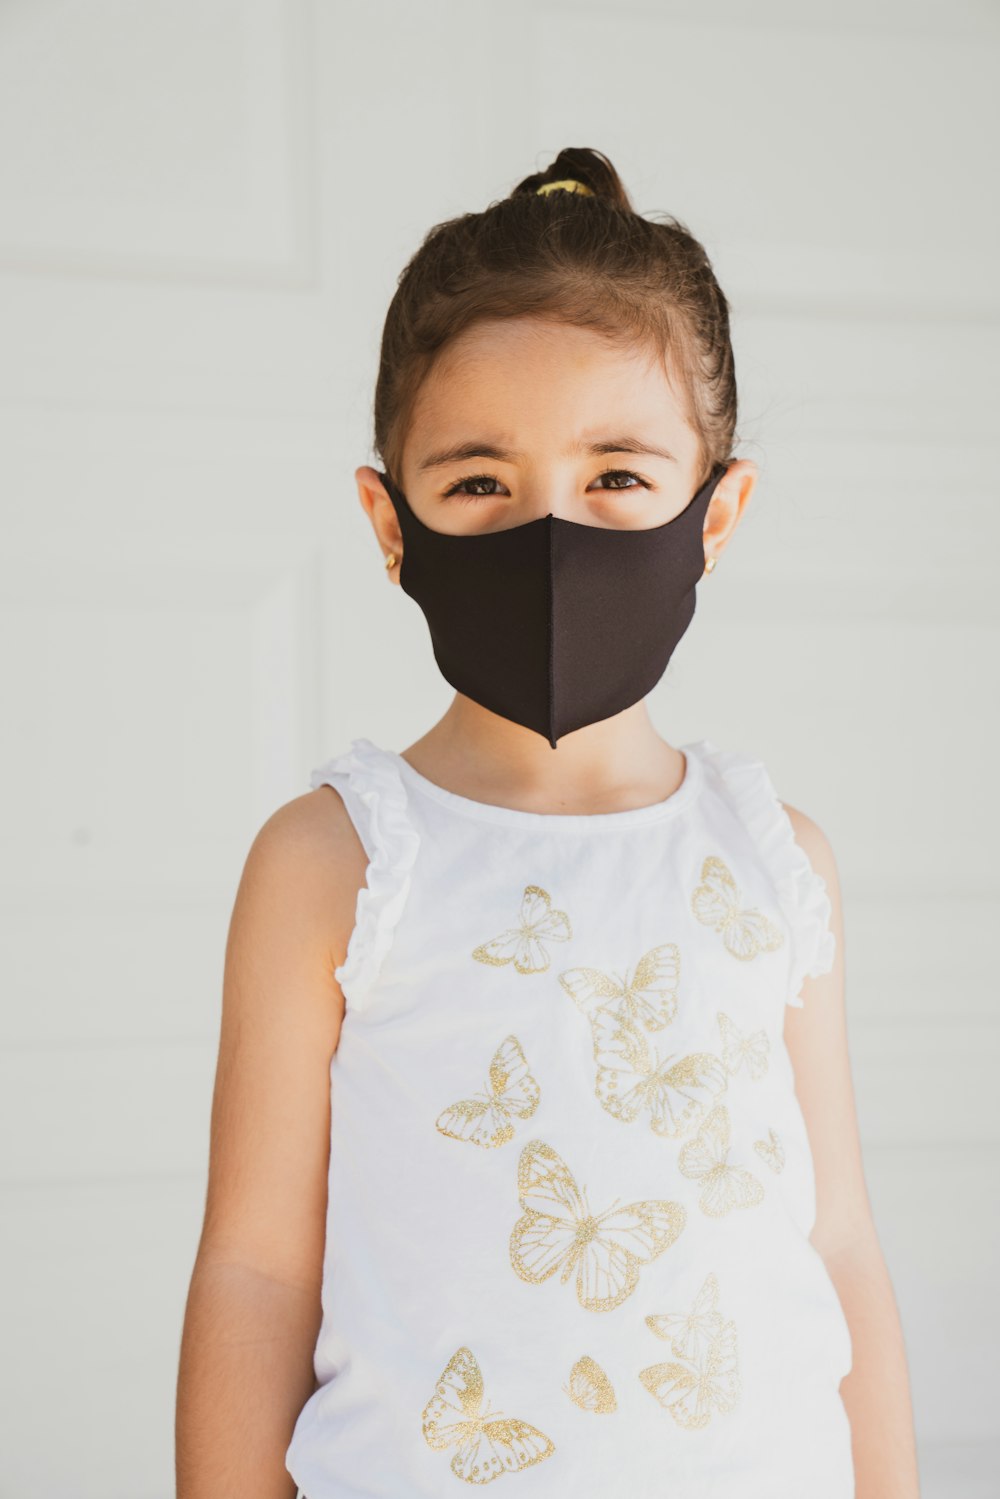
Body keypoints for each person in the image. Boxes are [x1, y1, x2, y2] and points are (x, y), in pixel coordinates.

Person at [175, 148, 921, 1499]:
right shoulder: (333, 864)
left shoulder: (776, 860)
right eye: (479, 486)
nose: (552, 536)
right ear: (389, 521)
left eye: (619, 479)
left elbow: (842, 1243)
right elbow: (255, 1267)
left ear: (719, 511)